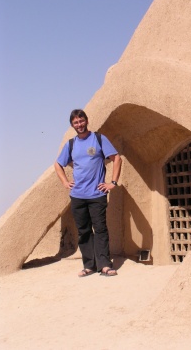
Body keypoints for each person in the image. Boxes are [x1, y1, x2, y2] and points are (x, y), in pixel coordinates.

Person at [54, 109, 122, 277]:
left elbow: (117, 158)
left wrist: (112, 183)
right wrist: (65, 182)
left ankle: (105, 265)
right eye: (76, 123)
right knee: (83, 231)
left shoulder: (99, 139)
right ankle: (89, 265)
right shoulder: (71, 144)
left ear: (87, 120)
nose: (79, 125)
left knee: (100, 229)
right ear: (72, 125)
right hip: (77, 196)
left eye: (81, 121)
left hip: (97, 194)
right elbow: (58, 164)